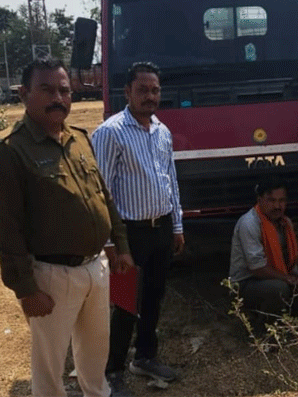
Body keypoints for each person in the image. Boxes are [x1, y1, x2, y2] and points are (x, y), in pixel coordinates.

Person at [0, 58, 133, 397]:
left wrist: (120, 245)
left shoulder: (79, 139)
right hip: (51, 277)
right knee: (50, 367)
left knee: (96, 352)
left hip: (96, 268)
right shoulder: (8, 151)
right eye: (47, 90)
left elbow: (103, 196)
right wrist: (26, 289)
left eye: (64, 91)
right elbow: (6, 228)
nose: (58, 98)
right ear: (24, 94)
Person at [92, 61, 185, 394]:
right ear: (127, 92)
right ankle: (112, 371)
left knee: (154, 298)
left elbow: (171, 180)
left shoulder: (162, 131)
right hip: (128, 234)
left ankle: (145, 357)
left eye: (155, 90)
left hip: (160, 229)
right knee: (124, 304)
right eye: (143, 90)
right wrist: (111, 244)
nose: (150, 96)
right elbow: (101, 192)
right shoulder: (110, 133)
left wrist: (177, 226)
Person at [229, 176, 298, 330]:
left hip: (279, 278)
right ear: (260, 200)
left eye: (281, 201)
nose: (277, 206)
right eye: (271, 200)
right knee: (279, 289)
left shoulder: (285, 223)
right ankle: (263, 330)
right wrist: (289, 280)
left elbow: (291, 263)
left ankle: (289, 321)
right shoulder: (249, 223)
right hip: (246, 283)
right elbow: (257, 268)